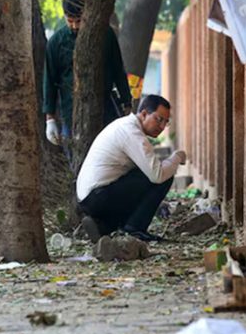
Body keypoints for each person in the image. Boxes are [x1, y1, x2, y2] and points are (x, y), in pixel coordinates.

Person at [76, 94, 186, 242]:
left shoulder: (125, 125)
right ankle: (135, 228)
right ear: (144, 114)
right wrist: (177, 158)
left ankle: (103, 226)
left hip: (91, 198)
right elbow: (157, 175)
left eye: (166, 122)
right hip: (98, 197)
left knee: (146, 173)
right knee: (162, 177)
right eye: (158, 119)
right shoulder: (132, 133)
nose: (161, 127)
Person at [43, 0, 132, 150]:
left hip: (106, 107)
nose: (75, 26)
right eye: (71, 21)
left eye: (79, 21)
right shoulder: (56, 43)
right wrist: (50, 119)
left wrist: (127, 101)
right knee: (77, 156)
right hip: (71, 112)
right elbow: (49, 81)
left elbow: (118, 69)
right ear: (64, 16)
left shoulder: (105, 35)